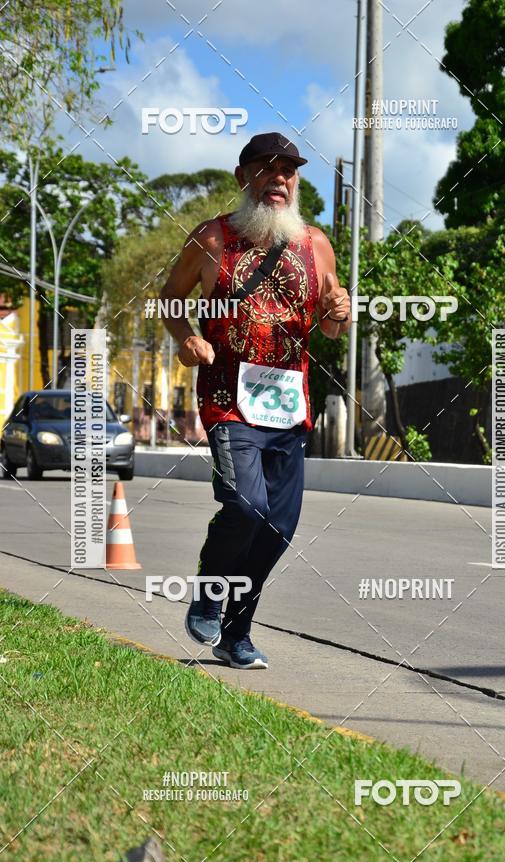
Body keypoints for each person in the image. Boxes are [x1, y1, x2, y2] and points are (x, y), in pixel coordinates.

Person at [161, 132, 350, 669]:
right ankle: (207, 594)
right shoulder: (212, 239)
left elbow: (333, 327)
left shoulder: (314, 244)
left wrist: (341, 308)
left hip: (289, 406)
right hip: (227, 399)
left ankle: (236, 634)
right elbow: (171, 300)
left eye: (289, 171)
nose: (280, 179)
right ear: (243, 177)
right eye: (268, 169)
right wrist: (185, 337)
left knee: (278, 527)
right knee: (245, 506)